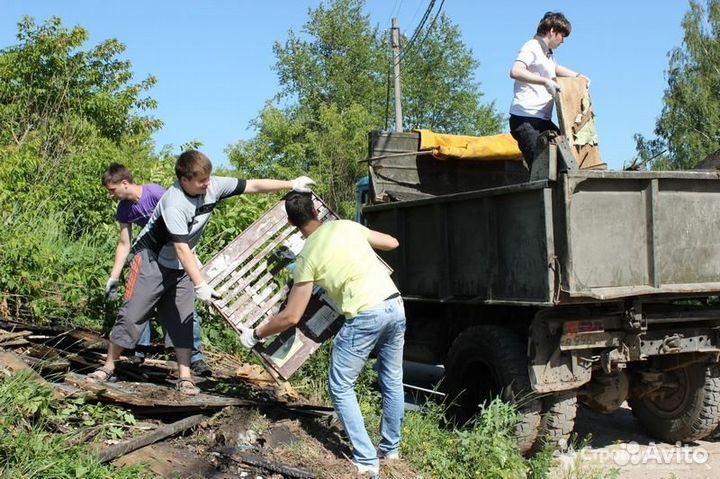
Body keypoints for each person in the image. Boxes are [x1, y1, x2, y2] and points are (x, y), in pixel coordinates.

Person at [88, 150, 316, 396]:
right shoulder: (174, 203)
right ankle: (109, 366)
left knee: (183, 318)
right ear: (184, 180)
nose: (208, 183)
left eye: (208, 178)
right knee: (133, 314)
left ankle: (185, 377)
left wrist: (293, 184)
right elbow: (181, 248)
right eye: (201, 180)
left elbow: (253, 185)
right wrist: (201, 284)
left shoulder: (213, 185)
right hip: (151, 260)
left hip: (181, 263)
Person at [239, 192, 405, 477]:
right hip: (394, 304)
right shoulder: (347, 227)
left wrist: (255, 334)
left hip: (365, 314)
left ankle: (367, 462)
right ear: (316, 210)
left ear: (292, 223)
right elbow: (392, 242)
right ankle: (390, 451)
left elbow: (291, 316)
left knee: (341, 386)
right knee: (391, 379)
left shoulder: (307, 256)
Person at [102, 164, 211, 377]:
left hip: (178, 253)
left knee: (185, 310)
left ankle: (196, 358)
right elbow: (124, 243)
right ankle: (138, 351)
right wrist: (114, 277)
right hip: (151, 257)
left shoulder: (154, 193)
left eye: (112, 190)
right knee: (140, 304)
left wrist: (192, 256)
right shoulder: (124, 209)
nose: (111, 195)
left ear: (125, 183)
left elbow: (183, 217)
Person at [509, 11, 588, 166]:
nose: (563, 41)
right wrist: (545, 81)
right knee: (542, 168)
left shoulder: (547, 54)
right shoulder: (532, 46)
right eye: (562, 35)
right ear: (552, 31)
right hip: (526, 120)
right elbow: (516, 71)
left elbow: (555, 68)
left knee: (567, 159)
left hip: (542, 120)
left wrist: (579, 76)